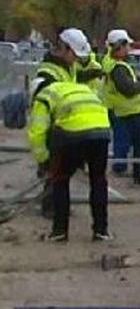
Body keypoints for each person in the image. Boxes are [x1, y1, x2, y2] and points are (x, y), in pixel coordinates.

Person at [27, 75, 113, 242]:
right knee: (98, 181)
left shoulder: (44, 97)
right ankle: (101, 231)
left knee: (60, 181)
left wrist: (45, 161)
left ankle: (59, 231)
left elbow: (37, 133)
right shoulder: (77, 88)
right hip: (101, 131)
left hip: (71, 134)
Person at [33, 27, 97, 218]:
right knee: (54, 172)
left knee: (61, 173)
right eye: (75, 55)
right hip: (53, 129)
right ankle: (51, 208)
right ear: (64, 48)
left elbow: (75, 79)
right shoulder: (47, 75)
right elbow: (39, 117)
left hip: (65, 127)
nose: (77, 60)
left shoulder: (66, 67)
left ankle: (55, 205)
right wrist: (42, 154)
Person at [103, 29, 140, 187]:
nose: (129, 49)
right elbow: (128, 89)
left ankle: (131, 171)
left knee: (125, 142)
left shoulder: (112, 63)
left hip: (121, 110)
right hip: (128, 111)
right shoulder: (118, 67)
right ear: (120, 46)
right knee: (138, 144)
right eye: (127, 45)